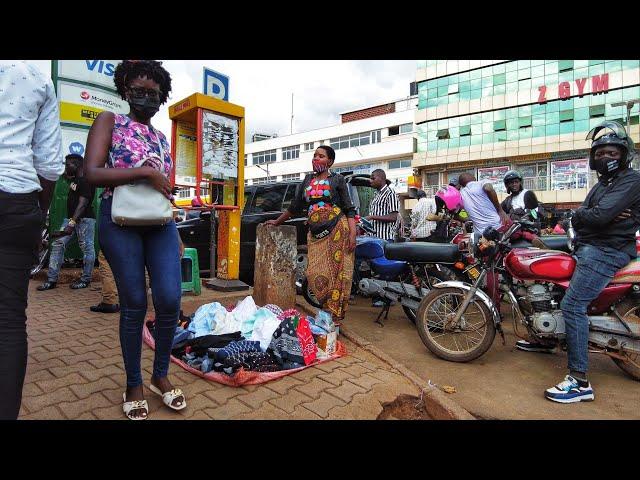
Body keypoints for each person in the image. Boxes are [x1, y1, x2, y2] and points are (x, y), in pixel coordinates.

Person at [84, 60, 186, 420]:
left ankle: (160, 374)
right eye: (138, 90)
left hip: (159, 223)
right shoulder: (109, 122)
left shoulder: (160, 138)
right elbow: (92, 172)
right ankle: (133, 383)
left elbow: (165, 188)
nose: (145, 97)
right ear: (125, 90)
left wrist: (175, 227)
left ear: (161, 98)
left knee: (171, 299)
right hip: (120, 219)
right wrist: (143, 172)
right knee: (134, 304)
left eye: (153, 93)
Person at [541, 121, 640, 403]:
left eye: (612, 153)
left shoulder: (632, 181)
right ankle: (543, 339)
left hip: (607, 251)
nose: (605, 158)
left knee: (572, 305)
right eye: (600, 154)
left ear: (624, 155)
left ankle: (579, 380)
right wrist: (588, 214)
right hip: (589, 246)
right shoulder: (603, 184)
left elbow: (595, 216)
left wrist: (589, 214)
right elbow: (585, 213)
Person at [0, 61, 64, 420]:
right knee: (8, 321)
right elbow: (49, 164)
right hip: (17, 198)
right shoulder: (37, 79)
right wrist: (38, 219)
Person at [265, 146, 357, 325]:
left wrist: (353, 235)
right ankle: (326, 308)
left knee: (336, 275)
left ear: (329, 162)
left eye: (321, 156)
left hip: (337, 231)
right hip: (316, 235)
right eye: (315, 155)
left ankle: (332, 316)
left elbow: (349, 209)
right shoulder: (307, 180)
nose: (316, 158)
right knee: (314, 273)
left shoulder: (337, 180)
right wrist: (277, 221)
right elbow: (294, 207)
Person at [37, 154, 96, 291]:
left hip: (84, 220)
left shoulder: (86, 180)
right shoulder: (75, 179)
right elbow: (64, 174)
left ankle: (86, 279)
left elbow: (83, 203)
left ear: (77, 165)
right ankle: (52, 280)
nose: (66, 167)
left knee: (87, 248)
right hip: (71, 219)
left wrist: (71, 223)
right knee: (58, 244)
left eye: (68, 165)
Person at [458, 173, 509, 237]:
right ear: (472, 177)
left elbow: (456, 213)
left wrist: (470, 218)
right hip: (496, 226)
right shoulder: (481, 183)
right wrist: (500, 210)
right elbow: (488, 188)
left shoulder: (461, 194)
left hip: (480, 234)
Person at [366, 169, 400, 241]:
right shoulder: (376, 194)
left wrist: (372, 217)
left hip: (385, 239)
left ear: (381, 178)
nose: (370, 181)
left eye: (373, 178)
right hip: (373, 238)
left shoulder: (390, 193)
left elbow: (394, 217)